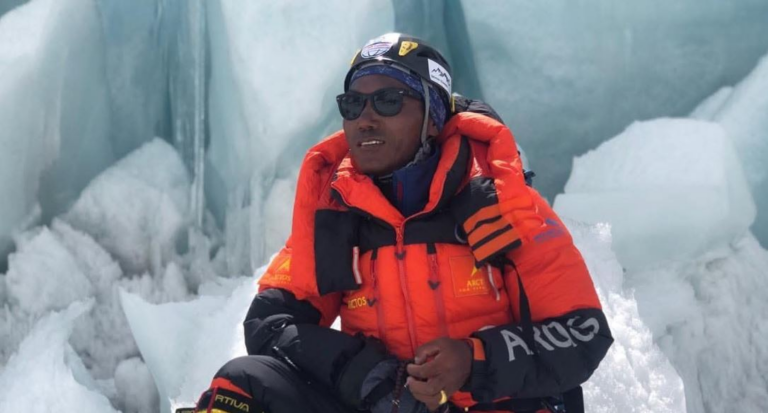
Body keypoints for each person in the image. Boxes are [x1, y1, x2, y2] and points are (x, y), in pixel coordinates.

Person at [190, 33, 613, 413]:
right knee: (242, 386)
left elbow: (583, 333)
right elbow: (269, 324)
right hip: (384, 405)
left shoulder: (503, 204)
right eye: (352, 104)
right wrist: (374, 380)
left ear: (433, 118)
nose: (365, 118)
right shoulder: (338, 213)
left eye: (388, 101)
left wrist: (473, 361)